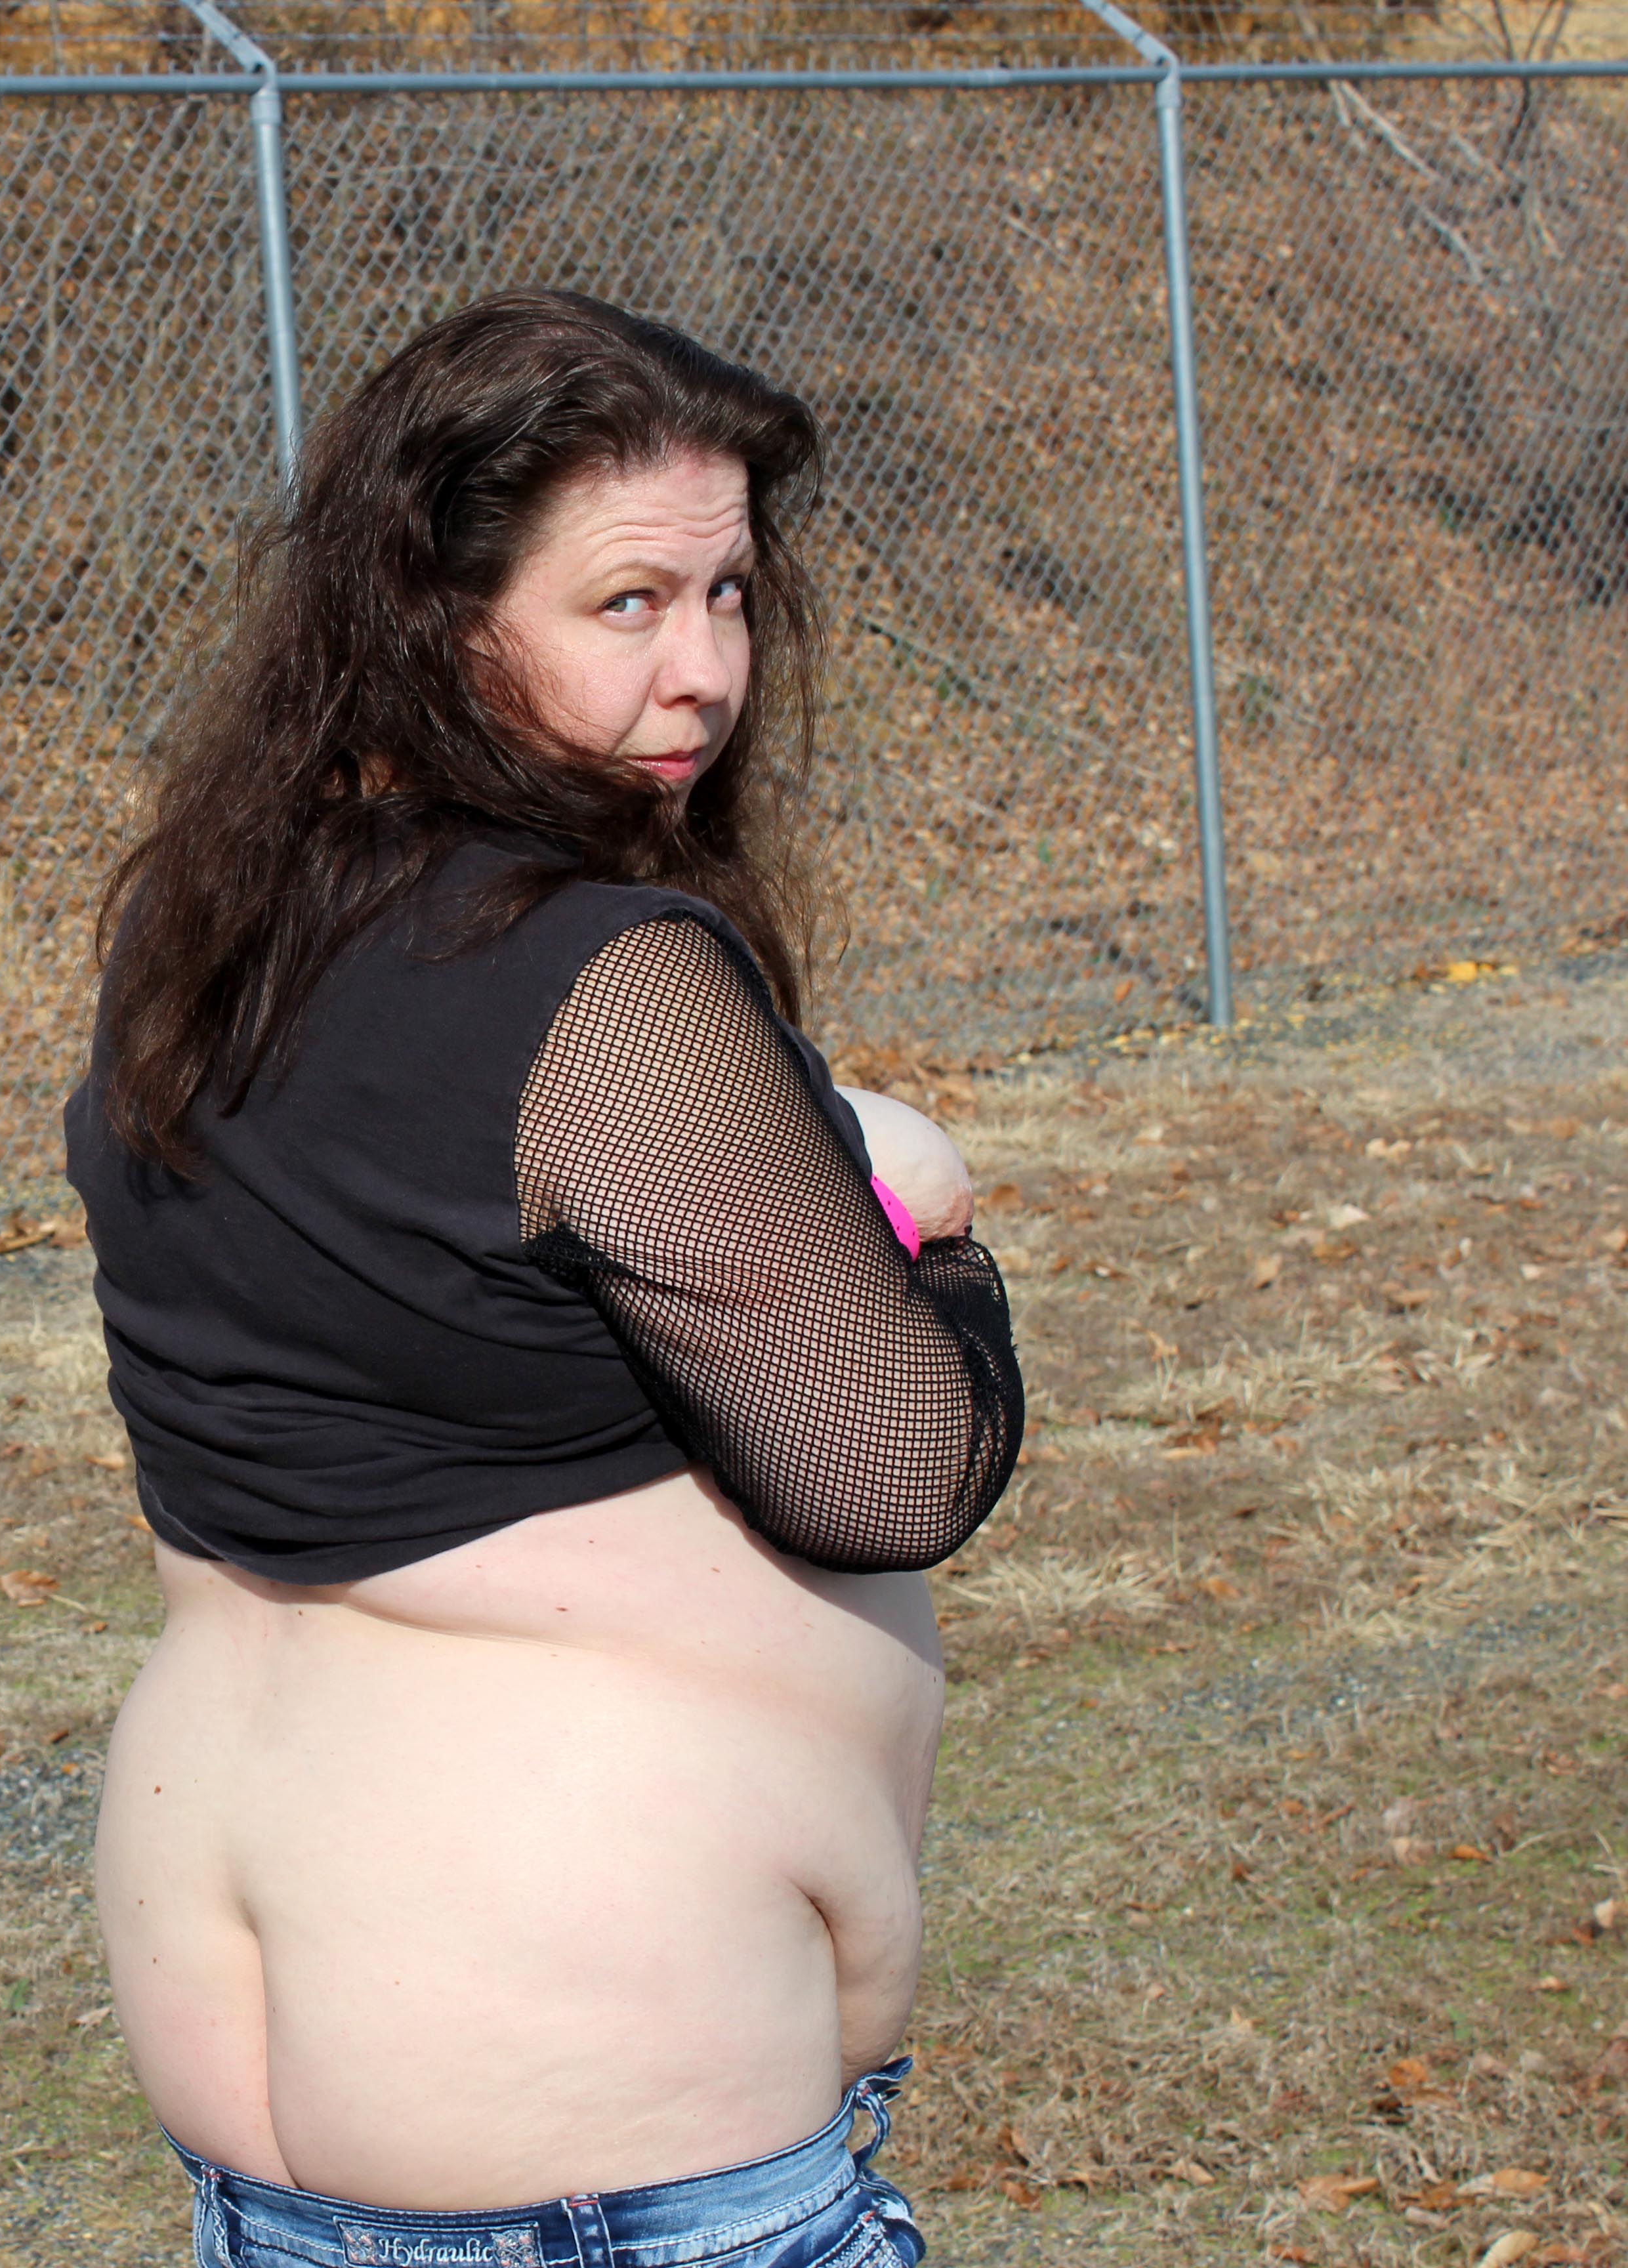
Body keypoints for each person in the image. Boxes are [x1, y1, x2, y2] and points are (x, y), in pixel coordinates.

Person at [62, 289, 1023, 2268]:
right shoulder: (602, 977)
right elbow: (891, 1471)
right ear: (432, 615)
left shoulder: (214, 927)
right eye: (626, 604)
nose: (706, 670)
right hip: (590, 2114)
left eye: (730, 595)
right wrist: (926, 1219)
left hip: (271, 2032)